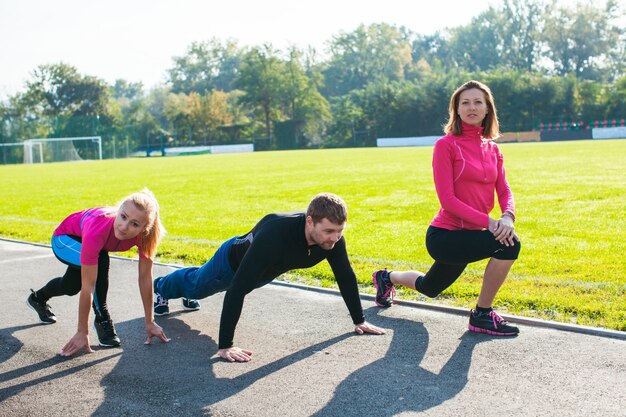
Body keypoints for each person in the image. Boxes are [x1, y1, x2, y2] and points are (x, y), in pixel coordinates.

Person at [153, 192, 386, 362]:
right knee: (196, 286)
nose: (334, 239)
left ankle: (177, 289)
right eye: (328, 231)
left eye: (339, 231)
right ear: (309, 221)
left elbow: (345, 277)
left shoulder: (332, 241)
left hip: (263, 272)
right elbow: (237, 290)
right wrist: (225, 345)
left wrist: (359, 320)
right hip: (230, 265)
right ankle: (160, 286)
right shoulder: (276, 234)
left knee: (195, 286)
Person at [373, 80, 521, 336]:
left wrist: (507, 216)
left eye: (478, 102)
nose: (471, 107)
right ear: (456, 109)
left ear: (488, 109)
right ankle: (482, 315)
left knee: (429, 287)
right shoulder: (446, 145)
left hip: (472, 233)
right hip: (446, 236)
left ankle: (386, 277)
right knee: (509, 244)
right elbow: (448, 200)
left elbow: (504, 189)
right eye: (465, 102)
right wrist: (490, 223)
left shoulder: (493, 149)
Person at [27, 188, 174, 356]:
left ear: (144, 229)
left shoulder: (146, 237)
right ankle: (103, 319)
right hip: (64, 239)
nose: (125, 226)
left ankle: (37, 298)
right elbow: (89, 285)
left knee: (70, 286)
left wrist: (150, 322)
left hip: (89, 242)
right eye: (123, 216)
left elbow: (145, 279)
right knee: (101, 260)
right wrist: (82, 331)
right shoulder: (99, 226)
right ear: (118, 211)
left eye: (134, 224)